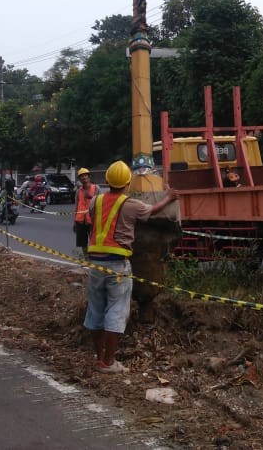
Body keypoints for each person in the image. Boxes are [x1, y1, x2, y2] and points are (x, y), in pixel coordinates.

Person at [84, 160, 177, 374]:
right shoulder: (131, 204)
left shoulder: (95, 201)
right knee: (116, 311)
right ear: (127, 183)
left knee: (96, 310)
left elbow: (94, 218)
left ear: (107, 181)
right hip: (117, 265)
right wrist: (169, 198)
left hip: (96, 264)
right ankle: (109, 362)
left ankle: (99, 359)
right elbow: (152, 210)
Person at [72, 168, 97, 257]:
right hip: (80, 220)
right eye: (81, 176)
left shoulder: (96, 188)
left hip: (92, 220)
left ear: (89, 177)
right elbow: (77, 206)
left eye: (85, 175)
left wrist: (91, 197)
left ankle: (94, 259)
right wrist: (75, 222)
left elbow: (101, 202)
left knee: (94, 241)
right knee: (83, 243)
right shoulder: (79, 191)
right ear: (79, 179)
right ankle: (87, 260)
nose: (84, 177)